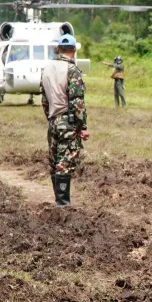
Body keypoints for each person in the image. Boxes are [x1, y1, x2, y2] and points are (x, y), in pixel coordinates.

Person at [40, 34, 89, 207]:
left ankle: (59, 201)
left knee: (54, 161)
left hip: (53, 120)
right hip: (67, 122)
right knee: (65, 161)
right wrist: (82, 126)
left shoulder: (46, 69)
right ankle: (63, 204)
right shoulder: (72, 70)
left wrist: (51, 118)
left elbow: (44, 100)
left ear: (58, 49)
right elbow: (77, 101)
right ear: (74, 50)